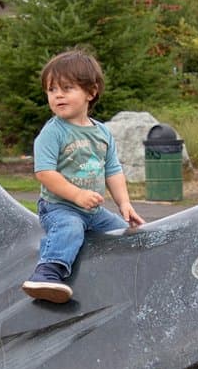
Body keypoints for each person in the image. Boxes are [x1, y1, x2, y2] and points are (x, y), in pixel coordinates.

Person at [22, 50, 144, 303]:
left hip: (93, 212)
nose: (58, 94)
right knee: (70, 228)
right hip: (59, 207)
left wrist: (124, 204)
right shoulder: (52, 133)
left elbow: (113, 170)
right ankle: (47, 273)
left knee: (123, 236)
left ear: (91, 92)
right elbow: (44, 173)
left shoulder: (102, 133)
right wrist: (77, 195)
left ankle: (126, 279)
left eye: (67, 88)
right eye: (51, 89)